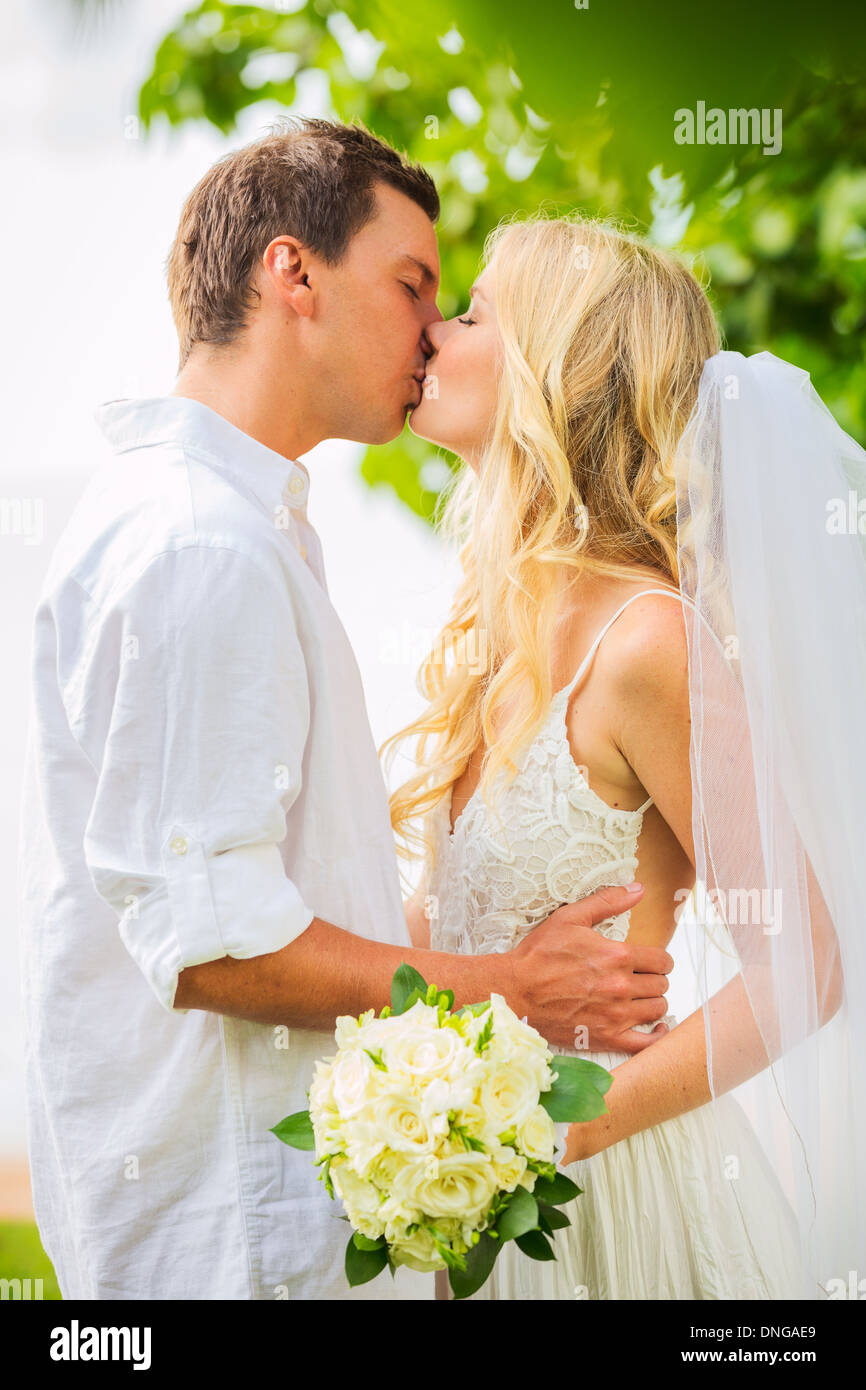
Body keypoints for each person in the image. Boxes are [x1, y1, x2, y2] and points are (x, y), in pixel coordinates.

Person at [16, 121, 673, 1301]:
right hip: (226, 1240)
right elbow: (217, 938)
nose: (430, 331)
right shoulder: (202, 546)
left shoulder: (241, 527)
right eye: (413, 283)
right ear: (292, 273)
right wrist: (506, 985)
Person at [396, 211, 865, 1298]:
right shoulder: (493, 629)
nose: (432, 334)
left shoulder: (646, 641)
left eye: (470, 314)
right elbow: (459, 924)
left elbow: (809, 955)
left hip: (600, 1201)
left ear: (551, 372)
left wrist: (564, 1139)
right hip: (477, 1191)